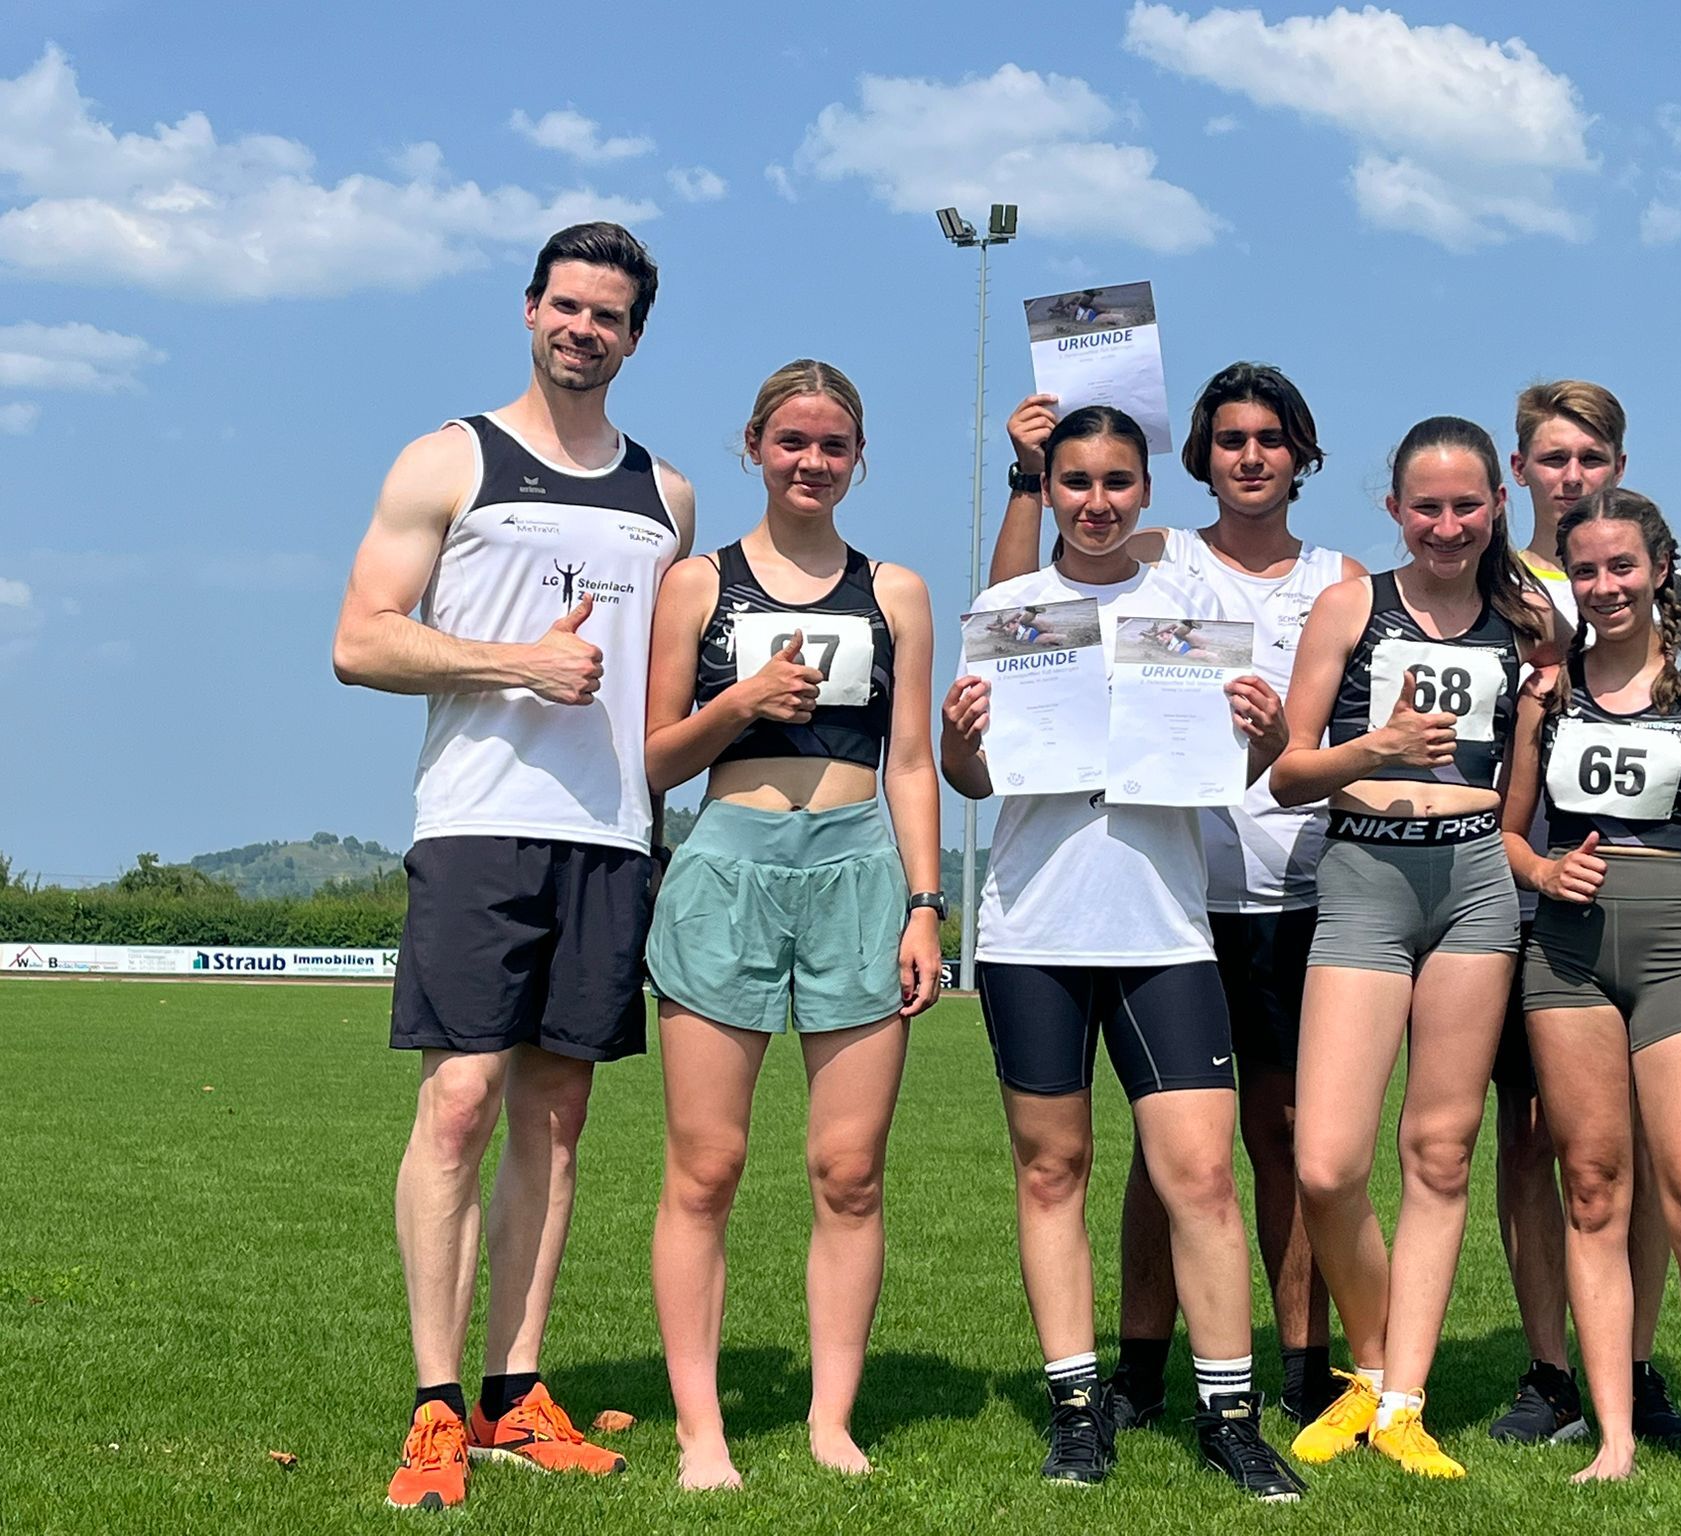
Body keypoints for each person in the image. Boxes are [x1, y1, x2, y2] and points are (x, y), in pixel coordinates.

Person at [332, 222, 692, 1513]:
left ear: (635, 337)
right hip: (478, 822)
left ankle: (512, 1394)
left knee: (556, 1115)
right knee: (459, 1103)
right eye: (567, 306)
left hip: (611, 836)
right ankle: (435, 1405)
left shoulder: (667, 496)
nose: (584, 329)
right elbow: (360, 641)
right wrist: (516, 664)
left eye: (609, 315)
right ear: (530, 310)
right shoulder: (451, 458)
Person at [987, 365, 1365, 1429]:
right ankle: (1136, 1372)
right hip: (1161, 897)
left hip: (1284, 889)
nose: (1251, 456)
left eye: (1271, 438)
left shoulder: (1334, 580)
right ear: (1193, 458)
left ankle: (1299, 1373)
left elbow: (1303, 736)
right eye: (1230, 438)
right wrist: (1022, 476)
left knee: (1276, 1143)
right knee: (1159, 1160)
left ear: (1301, 452)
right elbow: (1013, 630)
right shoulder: (1160, 560)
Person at [943, 405, 1306, 1500]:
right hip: (1033, 931)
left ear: (1145, 490)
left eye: (1115, 482)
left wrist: (1265, 737)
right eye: (1074, 482)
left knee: (1200, 1174)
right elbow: (972, 781)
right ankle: (1075, 1412)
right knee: (1052, 1170)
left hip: (1164, 930)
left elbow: (1231, 774)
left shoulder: (1187, 609)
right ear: (1047, 487)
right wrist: (959, 740)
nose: (1095, 502)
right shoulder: (1007, 610)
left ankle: (1229, 1418)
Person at [642, 360, 943, 1489]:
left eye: (832, 445)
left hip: (860, 873)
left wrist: (925, 904)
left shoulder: (896, 592)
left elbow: (910, 762)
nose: (811, 462)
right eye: (791, 442)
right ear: (754, 447)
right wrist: (738, 704)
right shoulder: (696, 585)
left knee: (849, 1170)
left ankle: (830, 1420)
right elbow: (654, 761)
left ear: (859, 458)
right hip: (728, 868)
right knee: (706, 1167)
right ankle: (700, 1431)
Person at [1272, 416, 1556, 1478]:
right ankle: (1375, 1362)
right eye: (1424, 507)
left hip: (1474, 887)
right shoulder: (1351, 606)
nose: (1446, 525)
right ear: (1392, 509)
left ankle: (1400, 1402)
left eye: (1466, 505)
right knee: (1326, 1164)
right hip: (1363, 879)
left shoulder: (1528, 627)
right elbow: (1285, 774)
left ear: (1497, 507)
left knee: (1439, 1153)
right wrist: (1376, 747)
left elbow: (1537, 770)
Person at [1500, 486, 1681, 1498]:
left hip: (1677, 957)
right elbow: (1508, 834)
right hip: (1567, 963)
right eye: (1585, 570)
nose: (1604, 585)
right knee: (1589, 1194)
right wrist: (1542, 874)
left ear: (1660, 570)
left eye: (1622, 566)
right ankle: (1612, 1438)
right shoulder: (1546, 695)